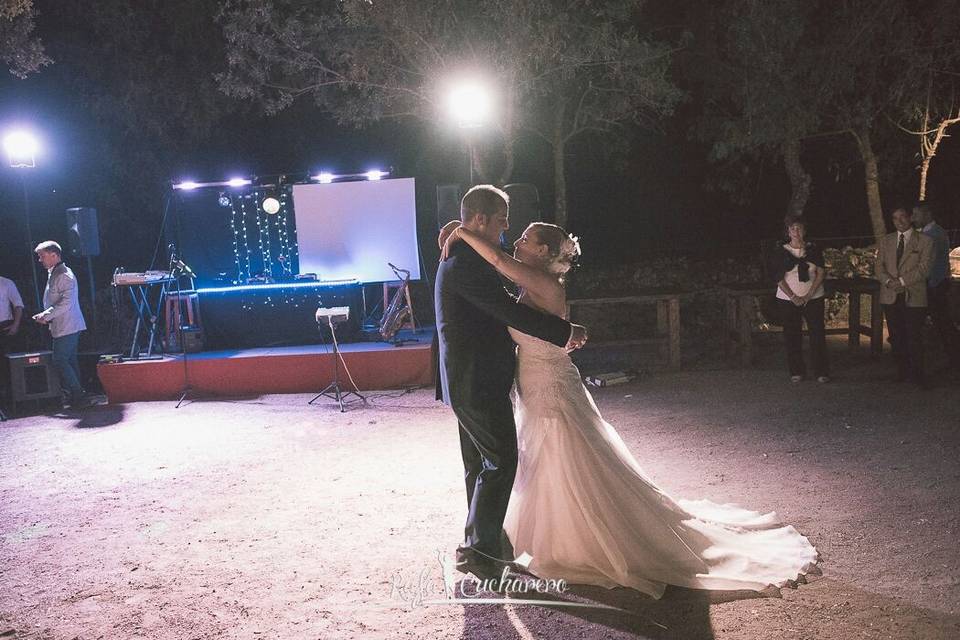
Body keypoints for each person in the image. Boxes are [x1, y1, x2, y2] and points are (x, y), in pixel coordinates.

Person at [441, 219, 819, 598]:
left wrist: (461, 230)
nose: (516, 241)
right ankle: (536, 533)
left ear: (542, 252)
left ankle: (576, 538)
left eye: (525, 238)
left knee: (564, 453)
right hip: (536, 383)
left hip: (549, 385)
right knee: (542, 456)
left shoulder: (541, 282)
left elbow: (496, 258)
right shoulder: (531, 275)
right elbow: (500, 261)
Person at [435, 185, 588, 584]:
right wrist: (564, 330)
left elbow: (501, 294)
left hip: (472, 378)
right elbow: (505, 309)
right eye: (503, 221)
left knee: (480, 466)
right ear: (482, 219)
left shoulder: (466, 254)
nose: (507, 230)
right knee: (501, 461)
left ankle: (485, 546)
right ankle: (479, 553)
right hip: (476, 380)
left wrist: (458, 228)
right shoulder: (464, 261)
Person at [875, 207, 934, 388]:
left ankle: (918, 375)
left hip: (913, 295)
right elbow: (879, 266)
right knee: (896, 336)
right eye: (895, 218)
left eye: (902, 217)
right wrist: (887, 282)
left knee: (914, 336)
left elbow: (924, 269)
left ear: (910, 218)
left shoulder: (925, 241)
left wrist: (901, 281)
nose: (899, 221)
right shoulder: (886, 241)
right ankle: (902, 371)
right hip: (890, 295)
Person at [31, 241, 91, 407]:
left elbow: (66, 303)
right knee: (69, 361)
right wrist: (46, 316)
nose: (40, 260)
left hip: (68, 326)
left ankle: (78, 395)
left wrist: (45, 315)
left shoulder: (63, 274)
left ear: (54, 255)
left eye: (42, 256)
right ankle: (77, 397)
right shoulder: (56, 273)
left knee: (59, 360)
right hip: (65, 325)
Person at [772, 215, 830, 383]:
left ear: (804, 230)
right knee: (792, 334)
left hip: (813, 297)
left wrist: (809, 294)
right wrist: (793, 297)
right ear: (788, 232)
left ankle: (821, 371)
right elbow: (778, 277)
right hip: (788, 299)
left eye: (799, 228)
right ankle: (796, 371)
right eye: (792, 228)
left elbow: (820, 272)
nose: (796, 231)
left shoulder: (813, 249)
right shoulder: (781, 251)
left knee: (817, 334)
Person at [912, 201, 960, 367]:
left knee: (941, 322)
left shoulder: (934, 235)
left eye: (916, 214)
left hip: (934, 285)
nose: (913, 218)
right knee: (942, 322)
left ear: (927, 214)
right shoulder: (933, 233)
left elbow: (929, 264)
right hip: (934, 283)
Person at [0, 274, 25, 404]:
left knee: (5, 364)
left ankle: (10, 398)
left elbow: (18, 305)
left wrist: (15, 324)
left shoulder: (6, 283)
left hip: (4, 326)